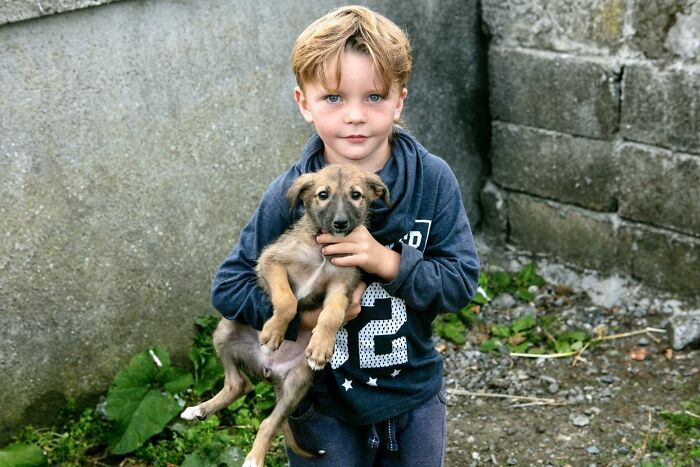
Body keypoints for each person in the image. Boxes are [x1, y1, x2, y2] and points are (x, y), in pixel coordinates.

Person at [211, 5, 480, 466]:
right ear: (303, 103)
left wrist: (387, 262)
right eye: (334, 98)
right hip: (323, 405)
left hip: (412, 395)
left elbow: (460, 282)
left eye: (374, 96)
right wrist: (302, 319)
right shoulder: (293, 191)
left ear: (400, 101)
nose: (355, 116)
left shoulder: (432, 180)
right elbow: (229, 286)